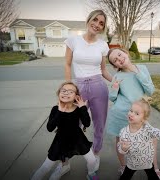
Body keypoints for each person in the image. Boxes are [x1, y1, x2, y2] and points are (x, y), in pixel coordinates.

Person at [63, 9, 112, 173]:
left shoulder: (103, 45)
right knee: (71, 123)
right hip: (80, 88)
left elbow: (104, 70)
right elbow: (68, 64)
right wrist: (69, 87)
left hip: (99, 87)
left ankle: (96, 153)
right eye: (95, 20)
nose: (97, 25)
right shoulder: (73, 40)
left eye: (101, 23)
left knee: (99, 124)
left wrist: (118, 81)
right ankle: (65, 160)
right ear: (88, 20)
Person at [106, 48, 160, 179]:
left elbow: (150, 91)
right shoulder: (117, 76)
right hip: (121, 114)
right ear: (115, 65)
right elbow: (113, 98)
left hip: (140, 114)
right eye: (115, 60)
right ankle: (123, 166)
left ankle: (154, 168)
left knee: (151, 139)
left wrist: (136, 72)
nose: (119, 59)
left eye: (119, 54)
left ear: (125, 53)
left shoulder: (142, 68)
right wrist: (114, 89)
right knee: (121, 141)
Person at [31, 82, 99, 180]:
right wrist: (60, 112)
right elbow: (50, 128)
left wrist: (83, 107)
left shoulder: (79, 108)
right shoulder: (55, 109)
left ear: (76, 96)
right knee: (46, 166)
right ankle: (65, 167)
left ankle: (91, 173)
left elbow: (87, 123)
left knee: (92, 160)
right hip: (60, 140)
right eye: (64, 90)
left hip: (78, 139)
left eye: (70, 91)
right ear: (59, 94)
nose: (66, 93)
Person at [118, 98, 160, 180]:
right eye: (131, 111)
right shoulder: (124, 132)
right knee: (125, 177)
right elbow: (120, 147)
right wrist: (123, 149)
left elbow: (157, 132)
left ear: (144, 119)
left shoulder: (147, 128)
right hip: (132, 164)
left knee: (152, 176)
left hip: (148, 162)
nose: (131, 114)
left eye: (136, 113)